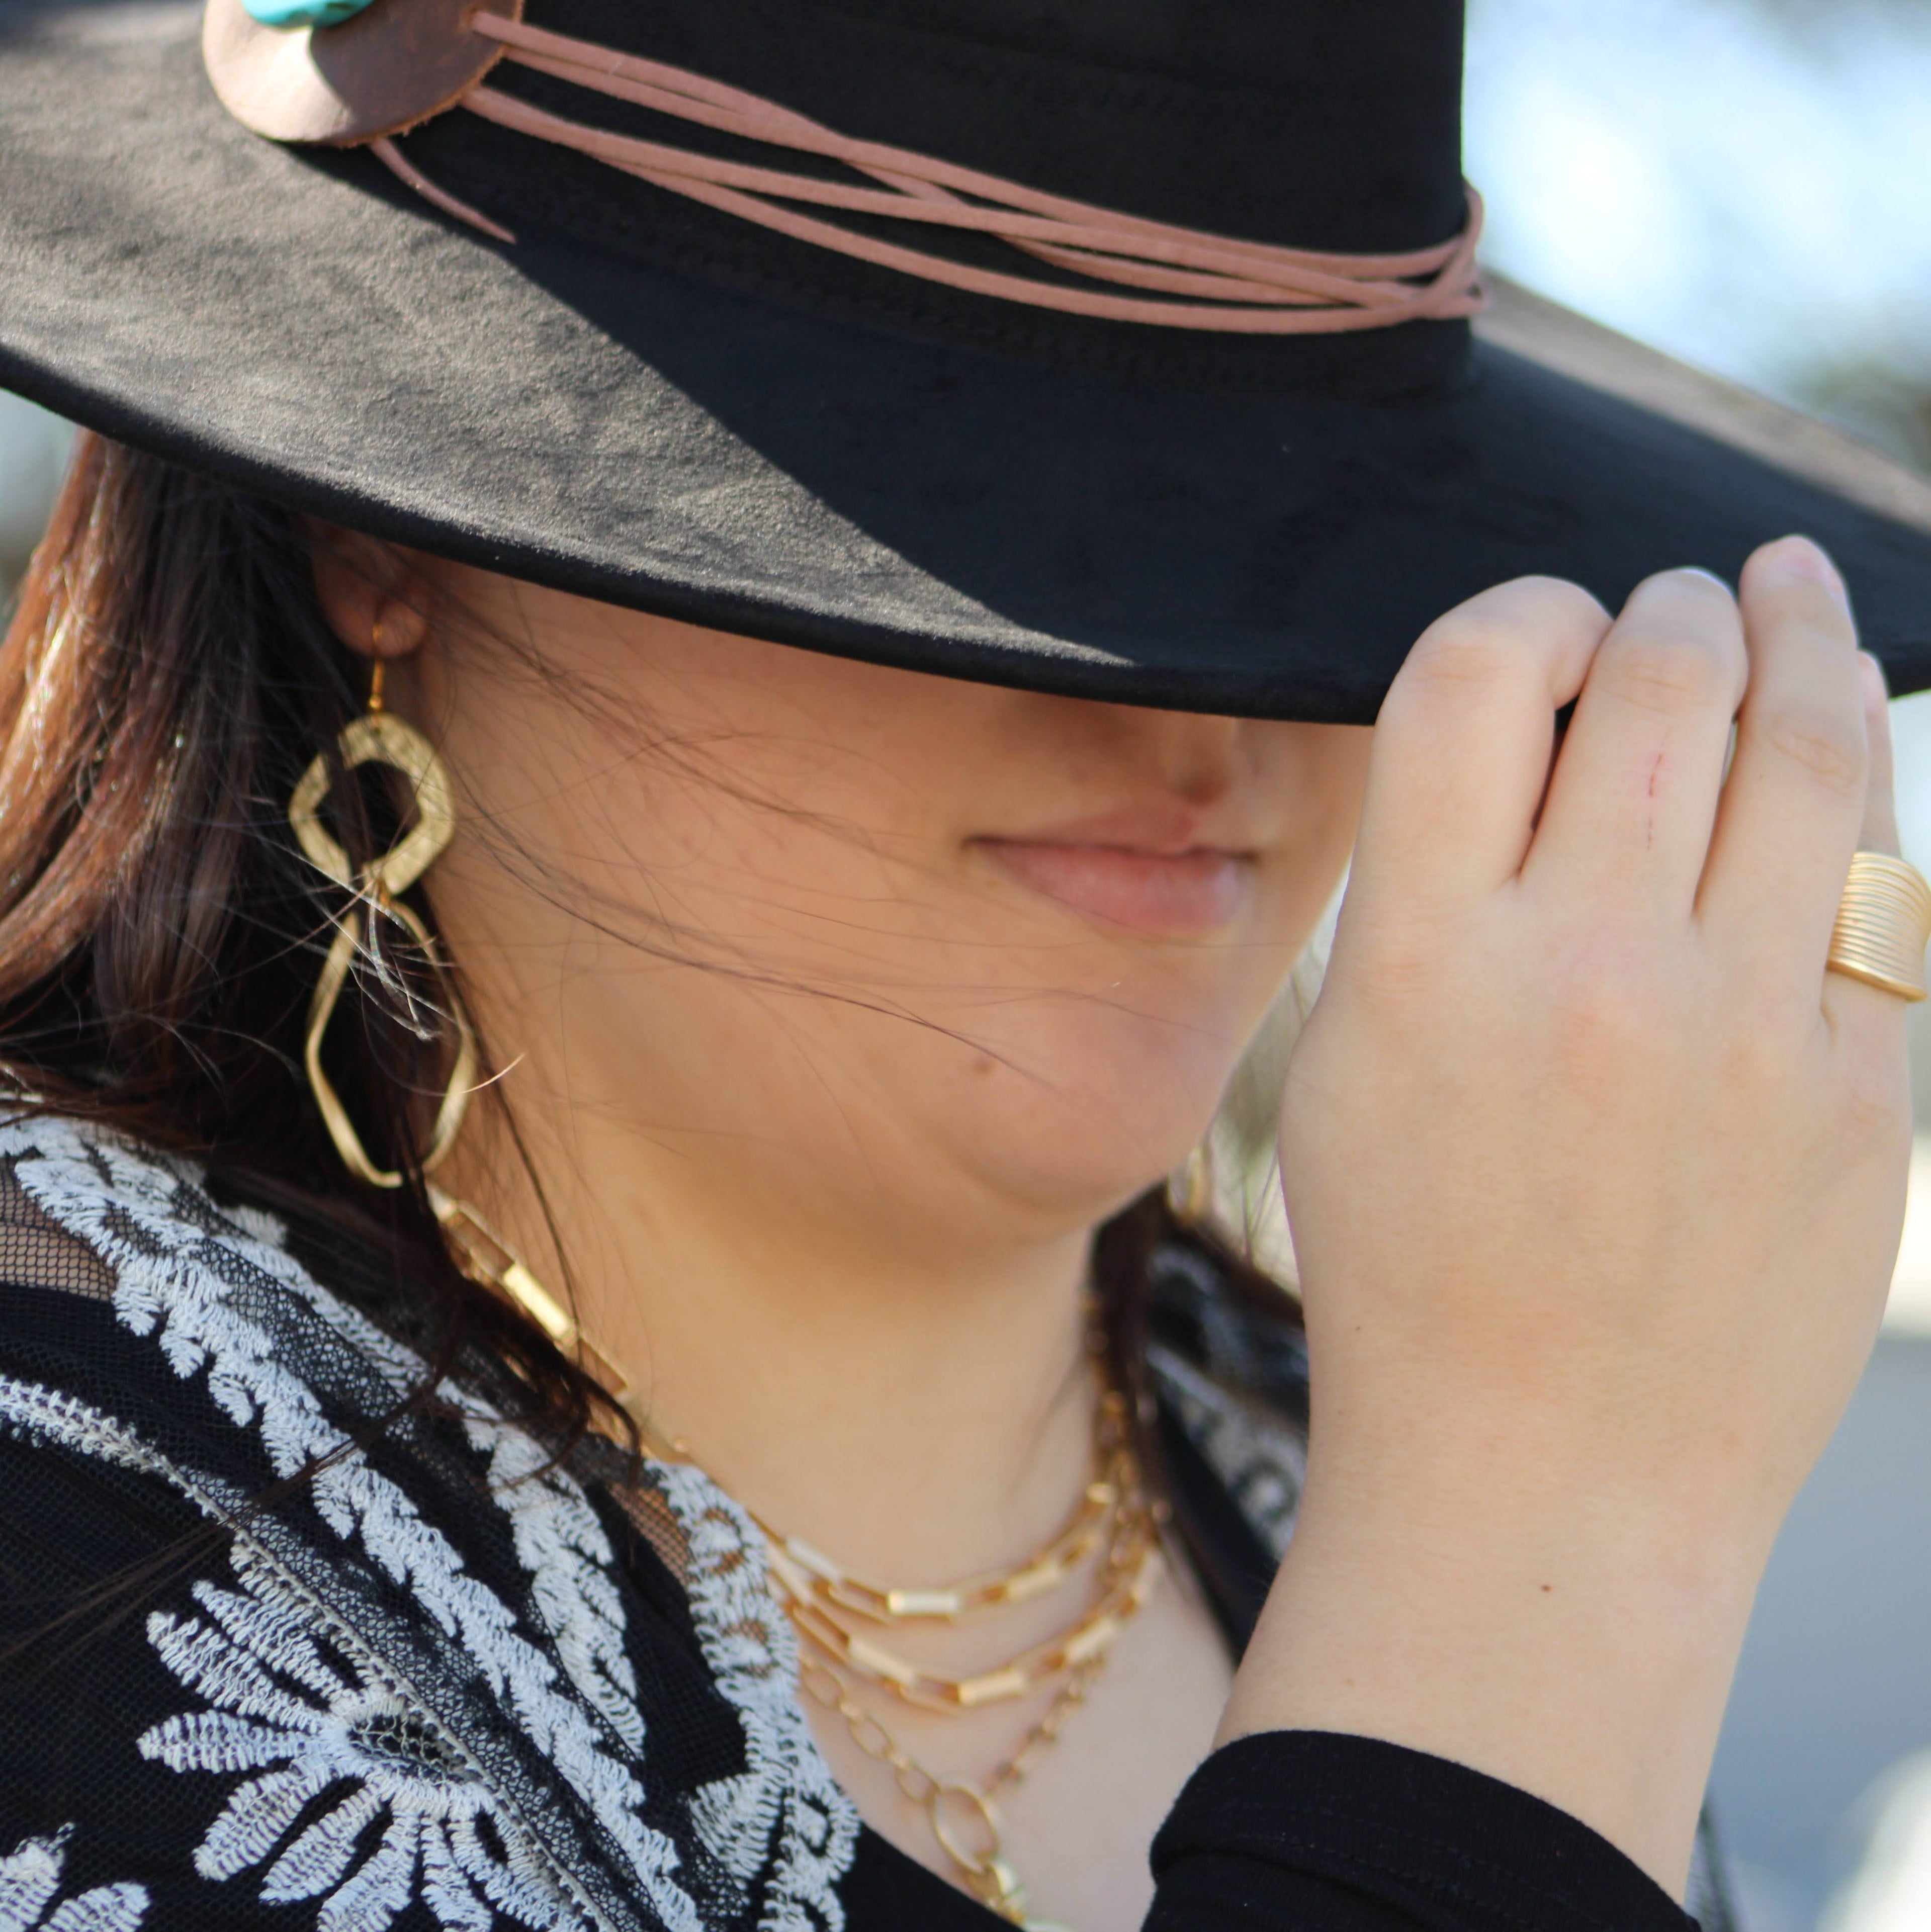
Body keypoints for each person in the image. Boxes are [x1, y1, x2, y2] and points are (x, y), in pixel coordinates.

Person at [2, 2, 1929, 1929]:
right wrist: (1545, 1568)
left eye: (1319, 565)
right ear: (379, 516)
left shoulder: (1329, 1438)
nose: (1202, 718)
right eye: (980, 524)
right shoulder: (58, 1525)